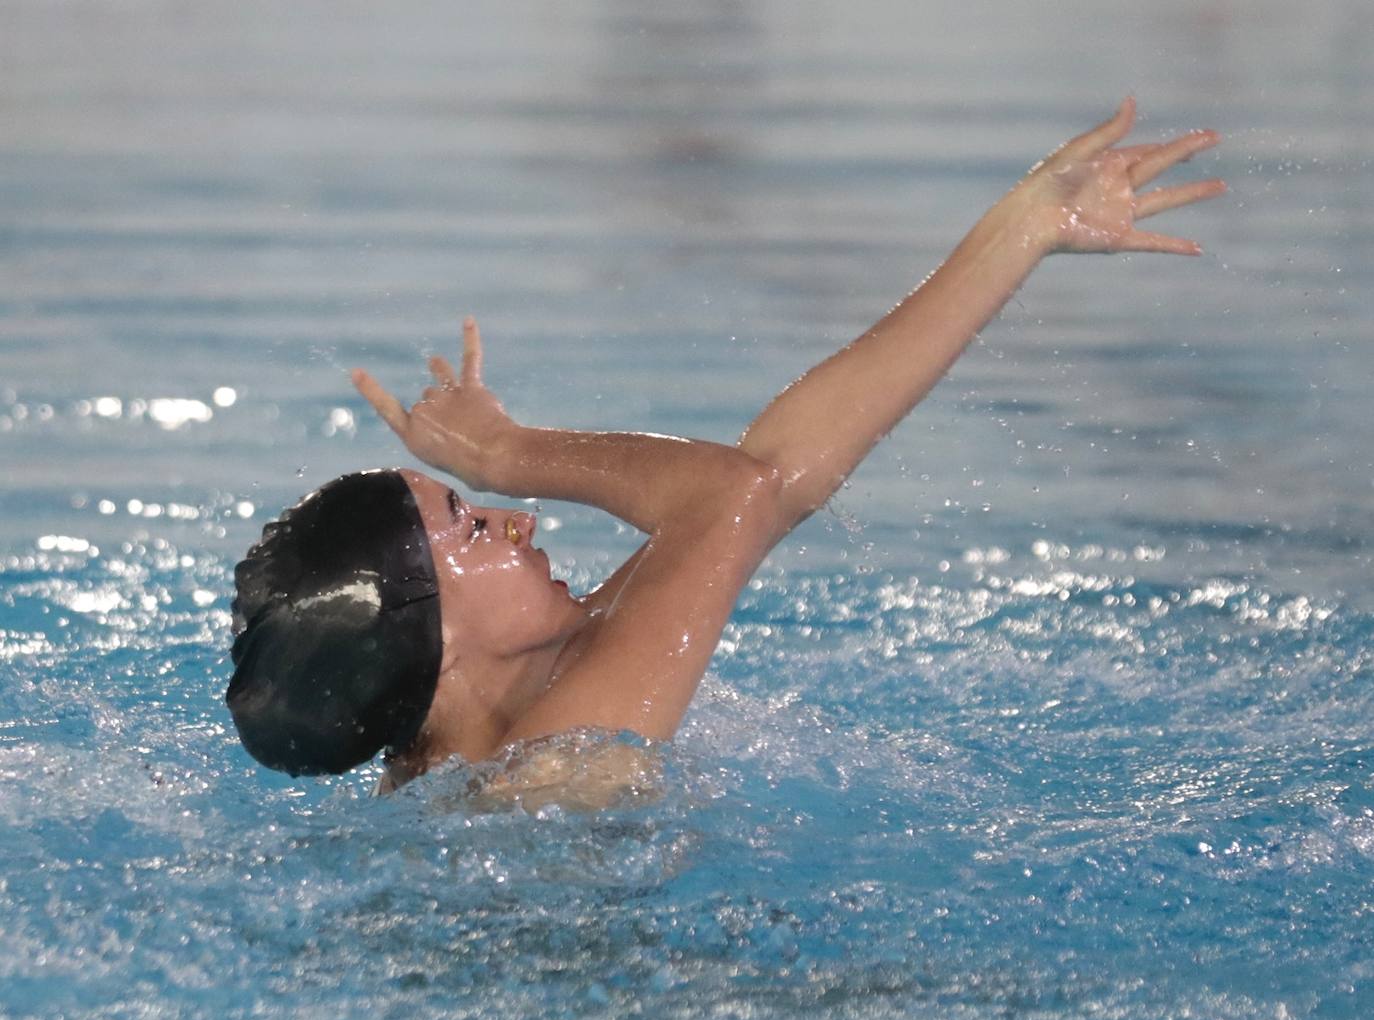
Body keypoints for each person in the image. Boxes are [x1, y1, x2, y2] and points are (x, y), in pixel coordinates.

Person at [227, 99, 1224, 803]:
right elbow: (727, 498)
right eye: (472, 523)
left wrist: (1026, 227)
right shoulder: (556, 746)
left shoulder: (469, 744)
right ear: (431, 636)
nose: (519, 518)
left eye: (485, 501)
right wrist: (509, 449)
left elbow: (773, 481)